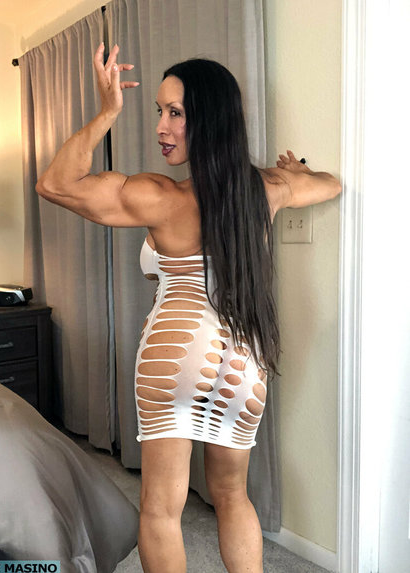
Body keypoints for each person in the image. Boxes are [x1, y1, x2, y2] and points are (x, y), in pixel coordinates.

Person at [36, 43, 341, 573]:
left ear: (209, 119)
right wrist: (297, 170)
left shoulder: (160, 196)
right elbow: (329, 185)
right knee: (233, 496)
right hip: (245, 360)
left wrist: (107, 111)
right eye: (160, 111)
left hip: (174, 352)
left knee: (161, 508)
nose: (161, 126)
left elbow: (54, 183)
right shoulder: (266, 189)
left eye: (175, 113)